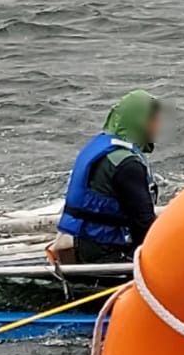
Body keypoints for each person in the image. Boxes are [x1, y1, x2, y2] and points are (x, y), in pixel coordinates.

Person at [55, 89, 161, 263]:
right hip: (106, 252)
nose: (158, 126)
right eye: (155, 120)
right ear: (141, 122)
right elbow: (144, 224)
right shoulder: (128, 165)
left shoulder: (105, 147)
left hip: (82, 243)